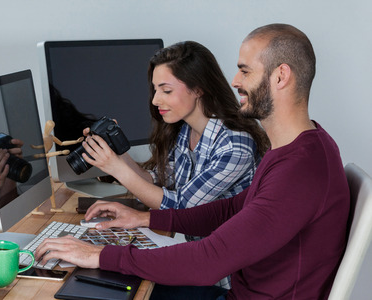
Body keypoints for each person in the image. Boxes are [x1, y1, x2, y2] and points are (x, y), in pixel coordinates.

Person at [35, 24, 350, 299]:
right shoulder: (300, 150)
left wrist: (99, 254)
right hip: (234, 290)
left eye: (245, 70)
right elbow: (231, 210)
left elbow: (209, 260)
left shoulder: (302, 170)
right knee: (101, 284)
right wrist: (144, 219)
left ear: (281, 76)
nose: (235, 80)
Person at [80, 41, 269, 210]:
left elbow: (181, 206)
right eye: (155, 90)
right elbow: (156, 182)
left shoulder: (234, 146)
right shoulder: (185, 131)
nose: (155, 100)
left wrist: (115, 168)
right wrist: (117, 151)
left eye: (167, 91)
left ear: (197, 89)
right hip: (194, 243)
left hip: (224, 248)